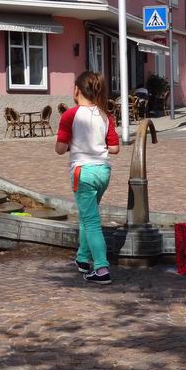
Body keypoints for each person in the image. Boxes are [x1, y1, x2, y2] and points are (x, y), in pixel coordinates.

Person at [55, 71, 120, 285]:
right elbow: (115, 148)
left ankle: (101, 268)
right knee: (86, 216)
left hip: (82, 172)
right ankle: (82, 259)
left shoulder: (70, 115)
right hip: (103, 172)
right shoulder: (105, 116)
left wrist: (73, 144)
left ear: (76, 90)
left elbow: (60, 149)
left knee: (91, 221)